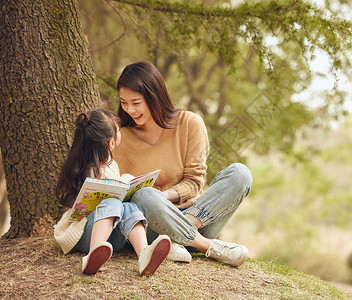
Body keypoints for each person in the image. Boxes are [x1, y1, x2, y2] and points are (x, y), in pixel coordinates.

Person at [112, 60, 253, 267]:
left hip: (197, 217)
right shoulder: (119, 137)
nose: (130, 110)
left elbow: (195, 183)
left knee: (240, 174)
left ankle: (179, 237)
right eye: (124, 103)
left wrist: (165, 196)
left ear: (154, 96)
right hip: (151, 228)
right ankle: (207, 246)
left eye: (136, 102)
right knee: (144, 195)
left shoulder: (190, 123)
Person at [53, 108, 171, 276]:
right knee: (112, 202)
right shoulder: (80, 170)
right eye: (118, 130)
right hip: (84, 237)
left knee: (129, 207)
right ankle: (93, 254)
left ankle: (144, 254)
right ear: (111, 142)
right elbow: (71, 206)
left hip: (112, 239)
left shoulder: (111, 165)